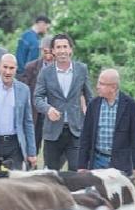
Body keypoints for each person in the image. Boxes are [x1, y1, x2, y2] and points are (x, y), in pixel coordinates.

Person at [34, 34, 92, 171]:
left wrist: (91, 123)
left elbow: (90, 98)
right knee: (51, 174)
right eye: (58, 47)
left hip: (76, 130)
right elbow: (37, 98)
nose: (62, 50)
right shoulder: (45, 73)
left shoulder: (81, 70)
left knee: (77, 171)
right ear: (53, 51)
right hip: (53, 132)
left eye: (65, 47)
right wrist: (48, 109)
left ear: (71, 49)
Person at [78, 69, 135, 177]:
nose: (97, 86)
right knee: (96, 193)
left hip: (120, 163)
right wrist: (82, 165)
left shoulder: (129, 105)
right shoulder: (93, 105)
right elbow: (86, 136)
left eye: (102, 84)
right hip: (97, 161)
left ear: (113, 87)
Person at [19, 35, 53, 155]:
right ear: (40, 50)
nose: (48, 56)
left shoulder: (59, 68)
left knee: (51, 148)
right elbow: (24, 90)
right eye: (45, 52)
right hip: (36, 112)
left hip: (53, 111)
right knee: (33, 144)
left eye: (51, 52)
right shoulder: (31, 67)